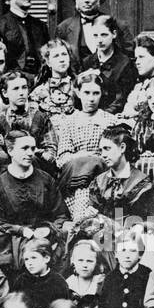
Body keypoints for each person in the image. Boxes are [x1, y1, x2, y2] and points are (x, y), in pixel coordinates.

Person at [0, 129, 70, 272]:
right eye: (24, 148)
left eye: (32, 148)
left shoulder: (46, 179)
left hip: (45, 237)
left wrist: (49, 230)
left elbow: (61, 214)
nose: (30, 153)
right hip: (13, 239)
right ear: (10, 151)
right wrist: (22, 231)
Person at [54, 69, 116, 226]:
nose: (91, 98)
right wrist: (82, 157)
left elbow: (114, 154)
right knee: (82, 183)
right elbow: (62, 159)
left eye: (96, 93)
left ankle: (80, 222)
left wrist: (92, 160)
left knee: (90, 175)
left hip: (102, 177)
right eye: (87, 93)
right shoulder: (69, 122)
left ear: (101, 94)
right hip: (73, 181)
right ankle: (81, 221)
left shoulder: (110, 121)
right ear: (78, 93)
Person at [87, 124, 154, 237]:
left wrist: (136, 228)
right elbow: (93, 212)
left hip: (132, 239)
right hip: (103, 238)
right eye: (101, 150)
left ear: (122, 148)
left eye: (107, 149)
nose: (103, 155)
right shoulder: (99, 182)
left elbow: (153, 221)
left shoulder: (142, 183)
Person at [0, 71, 56, 176]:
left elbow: (51, 150)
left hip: (35, 166)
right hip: (7, 168)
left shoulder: (40, 117)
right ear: (5, 93)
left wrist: (36, 152)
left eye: (24, 88)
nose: (21, 93)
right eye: (16, 89)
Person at [55, 0, 131, 65]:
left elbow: (129, 57)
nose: (86, 0)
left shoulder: (119, 26)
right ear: (76, 0)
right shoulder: (63, 28)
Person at [81, 14, 137, 116]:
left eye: (104, 35)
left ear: (114, 34)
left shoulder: (125, 63)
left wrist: (101, 116)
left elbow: (121, 100)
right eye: (95, 35)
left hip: (111, 116)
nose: (99, 40)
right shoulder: (87, 62)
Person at [100, 229, 152, 308]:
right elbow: (103, 304)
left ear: (140, 254)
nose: (127, 255)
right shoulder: (110, 277)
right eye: (123, 250)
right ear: (116, 253)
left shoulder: (147, 275)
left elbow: (150, 303)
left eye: (132, 251)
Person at [11, 236, 72, 308]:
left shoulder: (58, 282)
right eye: (26, 259)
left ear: (46, 258)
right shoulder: (21, 280)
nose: (29, 263)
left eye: (33, 258)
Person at [29, 38, 78, 118]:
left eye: (64, 54)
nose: (62, 59)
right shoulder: (39, 92)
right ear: (48, 62)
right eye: (56, 56)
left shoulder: (78, 86)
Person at [64, 238, 106, 308]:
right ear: (73, 261)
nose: (84, 265)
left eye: (89, 261)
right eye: (80, 260)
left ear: (97, 263)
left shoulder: (101, 283)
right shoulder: (68, 283)